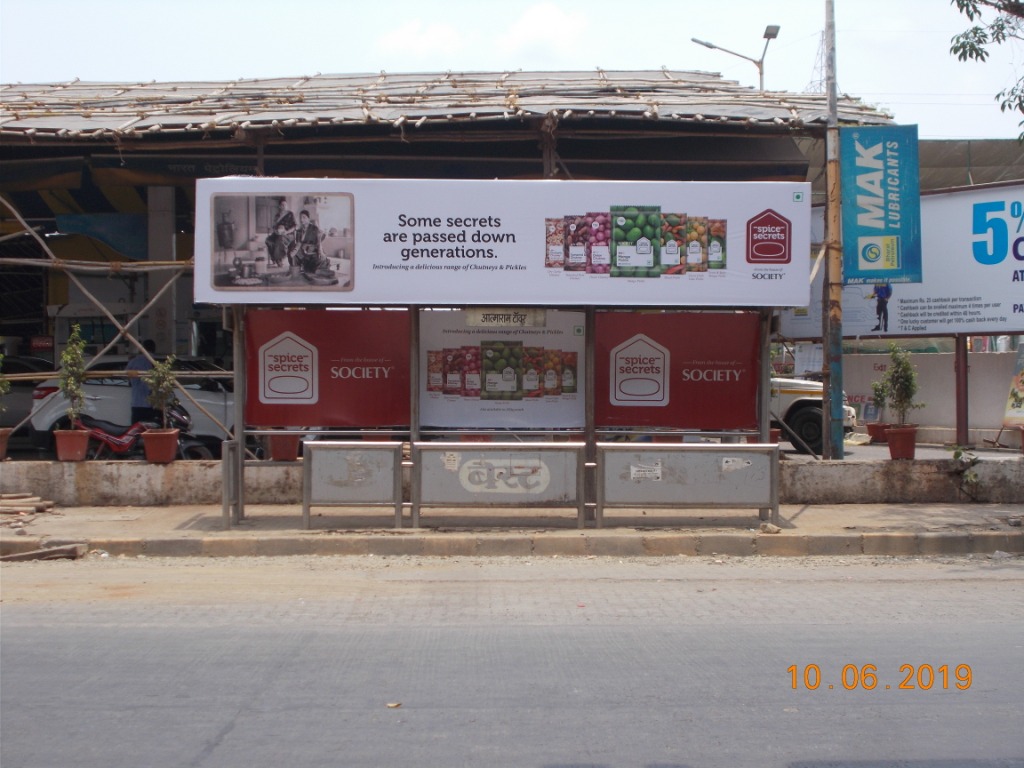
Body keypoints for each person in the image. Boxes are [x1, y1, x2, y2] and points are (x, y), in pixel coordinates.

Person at [127, 339, 160, 424]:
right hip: (151, 404)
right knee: (150, 429)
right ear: (154, 348)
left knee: (135, 429)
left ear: (142, 348)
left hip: (136, 402)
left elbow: (126, 376)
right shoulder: (155, 361)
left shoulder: (133, 361)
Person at [295, 209, 324, 274]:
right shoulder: (299, 231)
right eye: (300, 218)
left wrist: (320, 251)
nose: (301, 220)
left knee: (318, 264)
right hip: (303, 252)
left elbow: (318, 242)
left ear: (308, 218)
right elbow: (298, 243)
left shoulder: (314, 228)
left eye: (304, 217)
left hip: (314, 252)